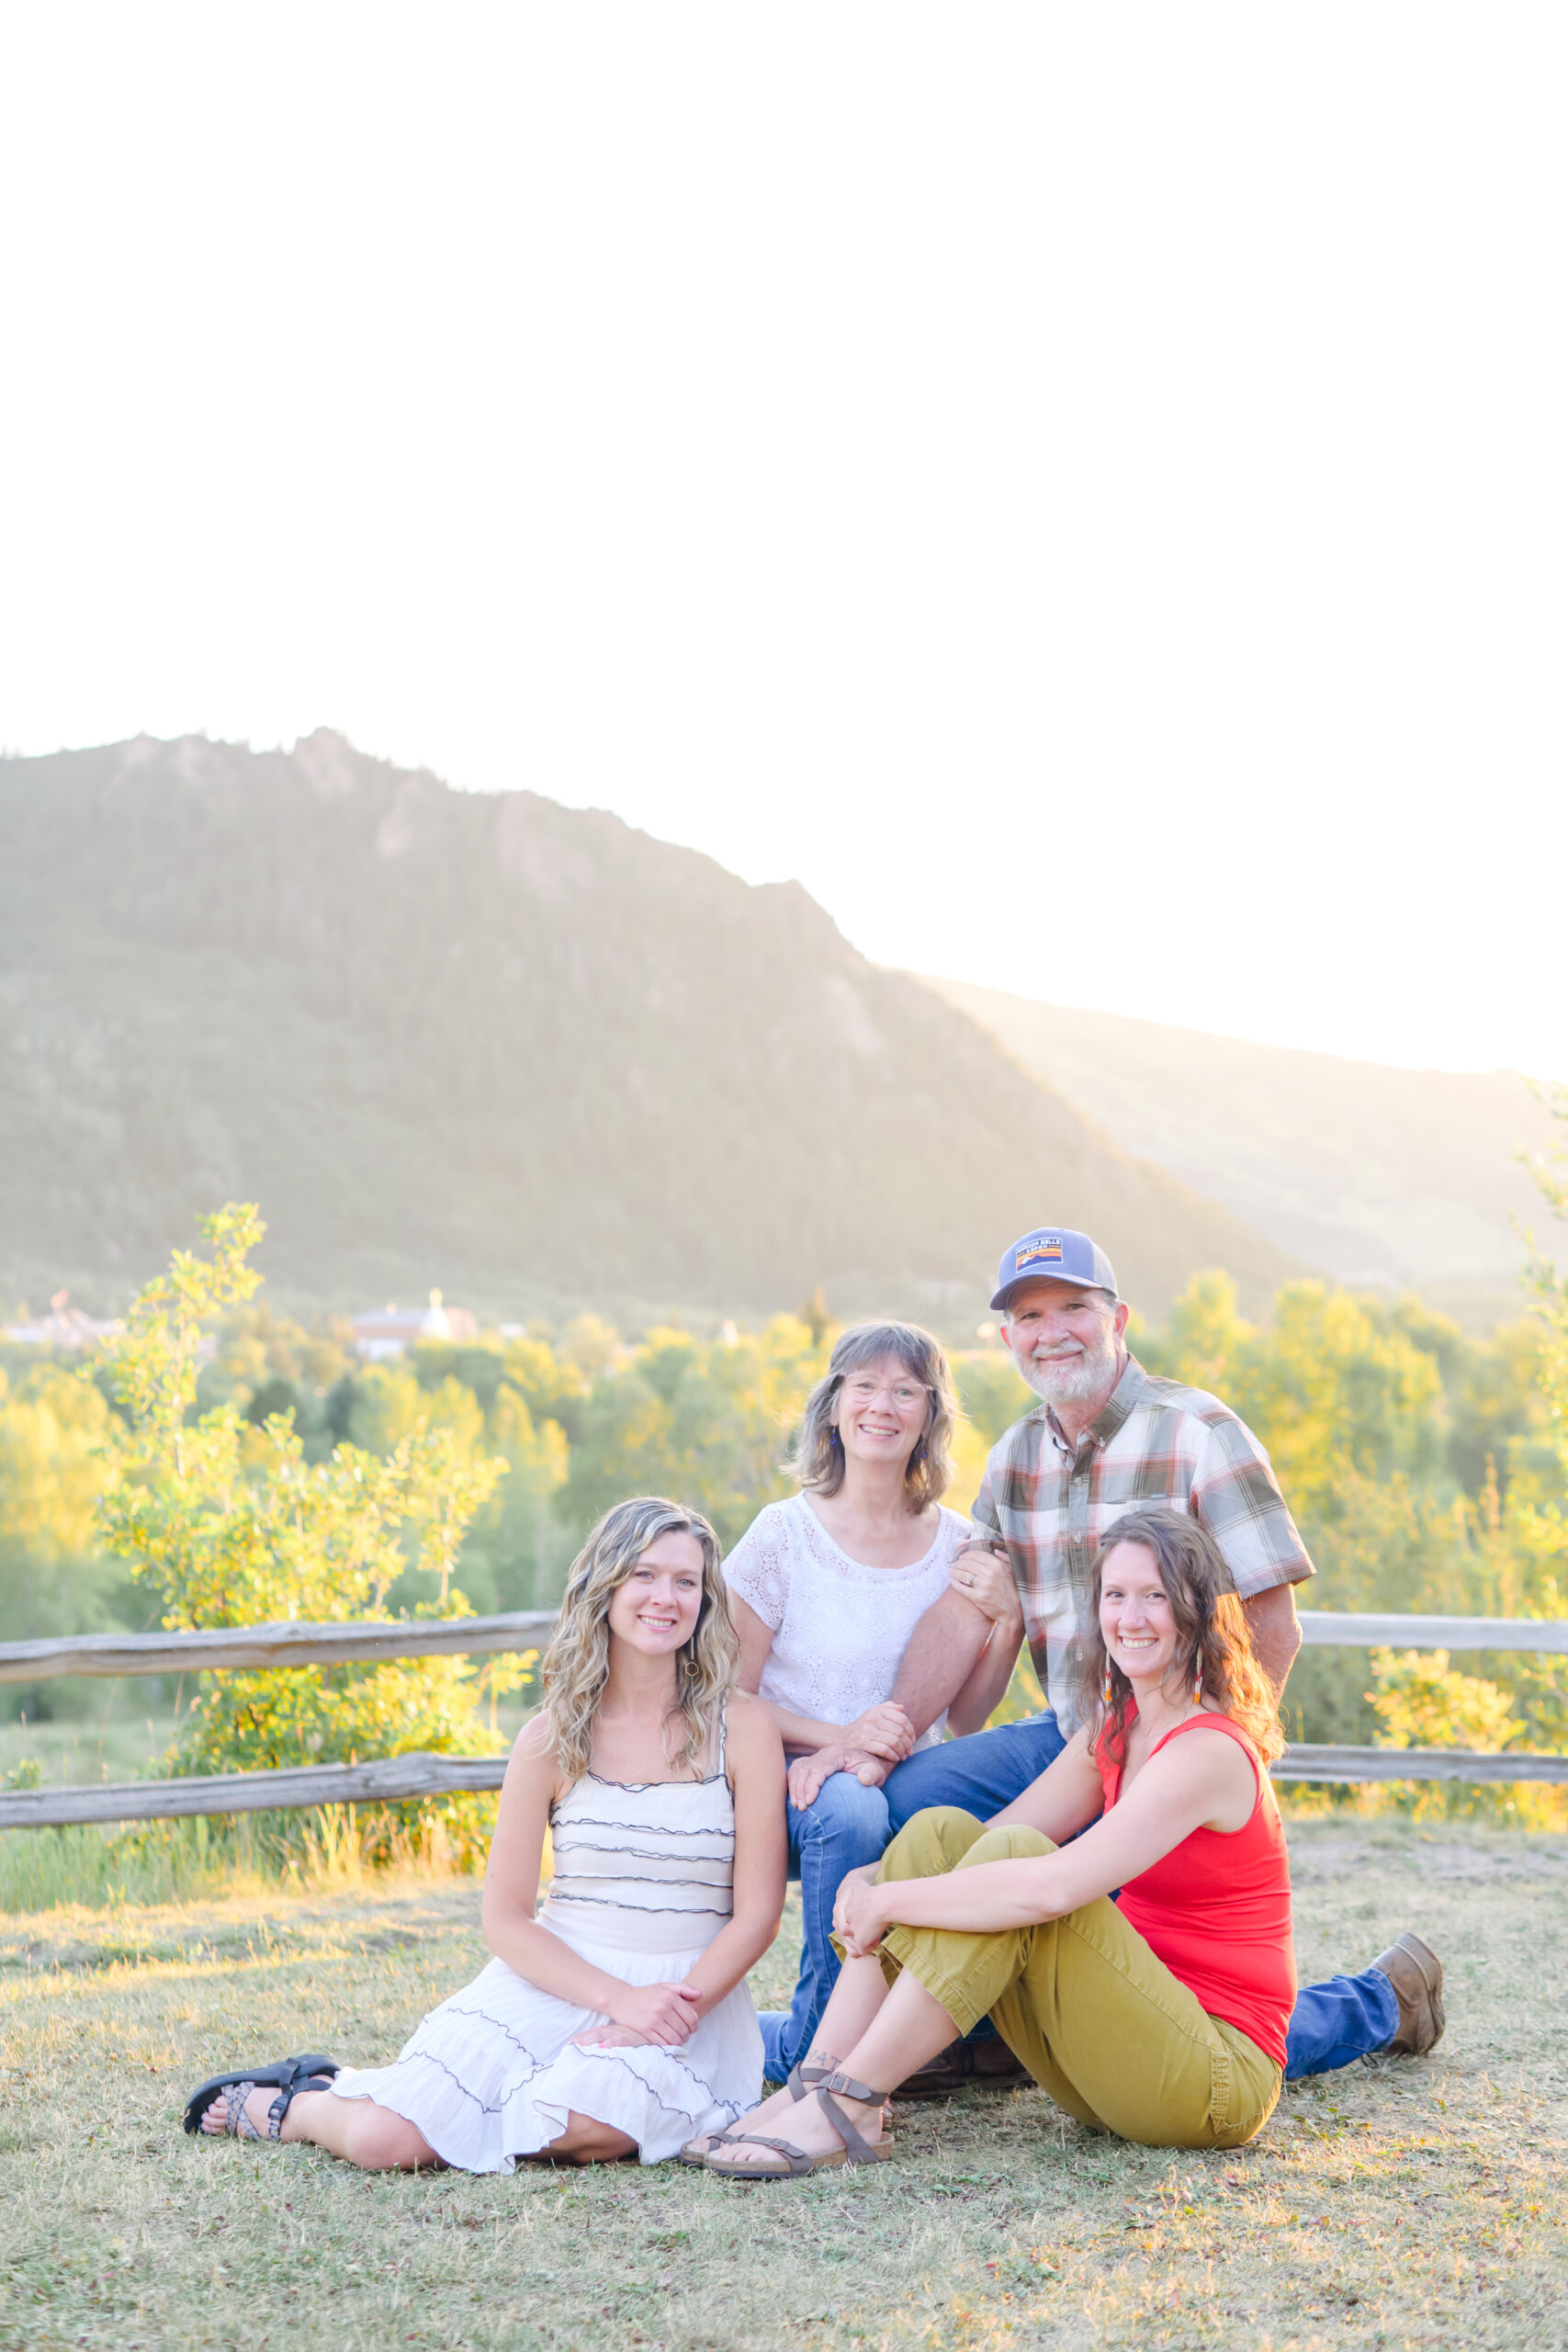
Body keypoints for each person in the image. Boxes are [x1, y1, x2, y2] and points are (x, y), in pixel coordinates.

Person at [863, 1227, 1443, 2086]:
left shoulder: (1199, 1431)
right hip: (1072, 1738)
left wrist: (1213, 1763)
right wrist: (884, 1734)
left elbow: (1272, 1621)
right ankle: (942, 2032)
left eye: (1073, 1308)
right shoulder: (1014, 1455)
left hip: (1170, 1750)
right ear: (1006, 1338)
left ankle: (1379, 2001)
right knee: (910, 1801)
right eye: (1029, 1315)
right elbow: (965, 1609)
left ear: (1118, 1319)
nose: (1051, 1330)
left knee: (1155, 1985)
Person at [183, 1497, 786, 2168]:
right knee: (389, 2144)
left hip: (686, 2001)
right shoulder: (549, 1740)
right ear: (605, 1586)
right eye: (643, 1575)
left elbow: (758, 1915)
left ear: (705, 1601)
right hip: (559, 1981)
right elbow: (504, 1920)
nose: (664, 1597)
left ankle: (470, 2107)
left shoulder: (745, 1730)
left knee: (586, 2121)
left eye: (686, 1581)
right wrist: (616, 2000)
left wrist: (664, 2013)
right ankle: (302, 2100)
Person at [701, 1509, 1298, 2177]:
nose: (1130, 1617)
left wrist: (892, 1900)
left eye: (1155, 1596)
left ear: (1196, 1612)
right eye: (1115, 1595)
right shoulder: (1115, 1724)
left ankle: (854, 2103)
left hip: (1210, 2081)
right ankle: (813, 2085)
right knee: (938, 1833)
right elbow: (978, 1844)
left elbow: (1053, 1884)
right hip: (1116, 2056)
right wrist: (878, 1875)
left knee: (1017, 1865)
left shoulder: (1206, 1750)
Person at [722, 1320, 1023, 2087]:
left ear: (929, 1417)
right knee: (852, 1807)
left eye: (904, 1391)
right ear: (832, 1407)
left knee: (1021, 1788)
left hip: (903, 1778)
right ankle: (814, 2049)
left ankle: (974, 2031)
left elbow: (967, 1719)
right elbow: (727, 1697)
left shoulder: (957, 1544)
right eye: (863, 1386)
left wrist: (1010, 1618)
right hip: (790, 1783)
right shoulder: (781, 1535)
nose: (881, 1405)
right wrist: (841, 1738)